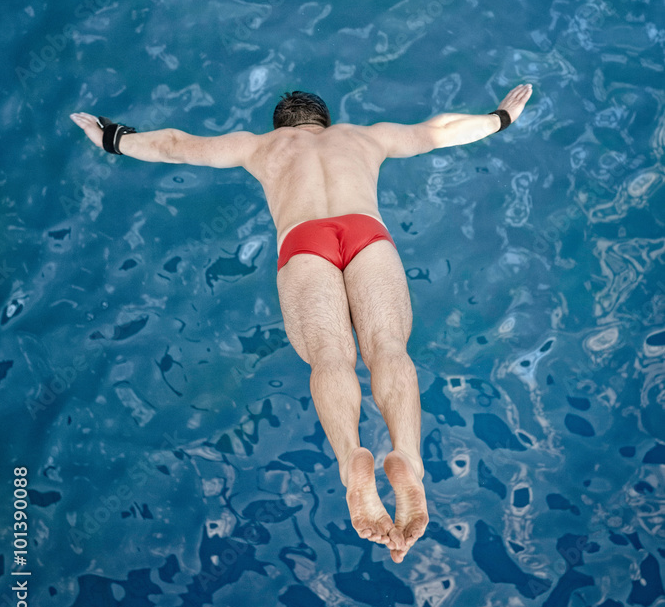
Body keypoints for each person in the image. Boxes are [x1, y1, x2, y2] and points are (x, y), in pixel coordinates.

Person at [70, 81, 532, 562]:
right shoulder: (362, 137)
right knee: (389, 348)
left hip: (303, 239)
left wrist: (113, 137)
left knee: (331, 356)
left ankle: (351, 459)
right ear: (324, 121)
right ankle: (409, 462)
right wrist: (501, 118)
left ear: (280, 126)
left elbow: (176, 144)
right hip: (365, 232)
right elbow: (438, 130)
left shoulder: (260, 147)